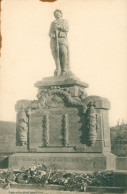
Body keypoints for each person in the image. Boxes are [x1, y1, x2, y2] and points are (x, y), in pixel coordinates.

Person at [49, 9, 70, 76]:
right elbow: (50, 32)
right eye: (55, 13)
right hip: (54, 41)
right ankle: (58, 68)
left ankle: (64, 69)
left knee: (64, 52)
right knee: (56, 55)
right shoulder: (53, 23)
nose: (57, 14)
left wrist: (59, 27)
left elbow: (66, 29)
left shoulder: (65, 21)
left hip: (62, 39)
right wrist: (52, 34)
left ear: (61, 14)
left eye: (58, 13)